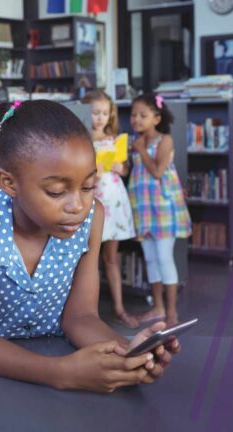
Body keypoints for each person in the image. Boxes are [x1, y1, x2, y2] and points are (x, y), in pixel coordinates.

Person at [0, 100, 180, 392]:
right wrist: (62, 372)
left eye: (88, 186)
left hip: (52, 358)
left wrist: (128, 354)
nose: (77, 205)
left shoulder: (93, 217)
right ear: (9, 182)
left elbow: (81, 317)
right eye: (56, 192)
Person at [128, 93, 192, 327]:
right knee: (151, 259)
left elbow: (157, 171)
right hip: (142, 209)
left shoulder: (164, 140)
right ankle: (158, 308)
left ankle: (172, 311)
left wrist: (141, 150)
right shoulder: (133, 142)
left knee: (165, 258)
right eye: (134, 115)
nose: (136, 119)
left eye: (143, 115)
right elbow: (130, 172)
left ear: (156, 118)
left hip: (164, 210)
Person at [81, 90, 139, 329]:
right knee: (88, 259)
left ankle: (118, 309)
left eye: (105, 113)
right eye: (95, 113)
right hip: (91, 201)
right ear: (86, 113)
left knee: (111, 258)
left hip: (113, 201)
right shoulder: (81, 139)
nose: (100, 118)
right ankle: (87, 313)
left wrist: (117, 165)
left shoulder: (114, 139)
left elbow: (124, 170)